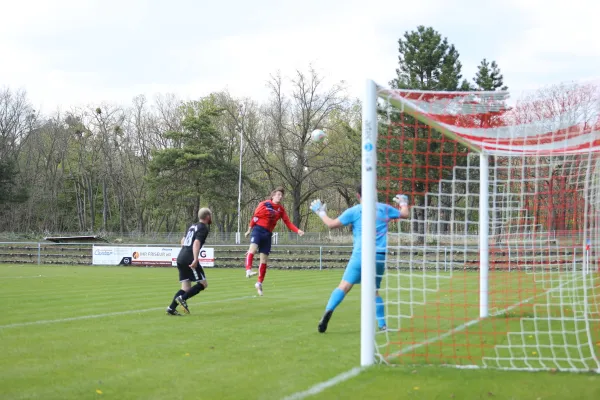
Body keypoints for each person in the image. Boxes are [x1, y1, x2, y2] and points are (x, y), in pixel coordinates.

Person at [310, 185, 409, 333]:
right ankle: (382, 325)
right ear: (375, 193)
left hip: (360, 254)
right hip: (378, 255)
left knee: (343, 287)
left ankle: (328, 311)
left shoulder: (355, 211)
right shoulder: (383, 208)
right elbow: (405, 214)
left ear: (358, 195)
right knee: (374, 291)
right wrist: (403, 203)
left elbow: (331, 224)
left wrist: (321, 212)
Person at [244, 186, 305, 296]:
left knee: (264, 261)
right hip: (258, 230)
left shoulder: (281, 210)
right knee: (252, 250)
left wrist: (298, 230)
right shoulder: (264, 204)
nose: (280, 197)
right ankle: (248, 270)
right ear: (273, 195)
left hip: (267, 234)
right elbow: (255, 217)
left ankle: (259, 283)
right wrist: (249, 229)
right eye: (278, 194)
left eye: (281, 195)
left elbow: (288, 223)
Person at [166, 207, 212, 315]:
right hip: (189, 258)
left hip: (181, 256)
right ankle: (182, 298)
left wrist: (186, 251)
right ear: (208, 217)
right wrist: (195, 258)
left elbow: (183, 240)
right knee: (203, 283)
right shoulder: (203, 228)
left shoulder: (192, 226)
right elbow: (196, 243)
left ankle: (171, 308)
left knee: (186, 287)